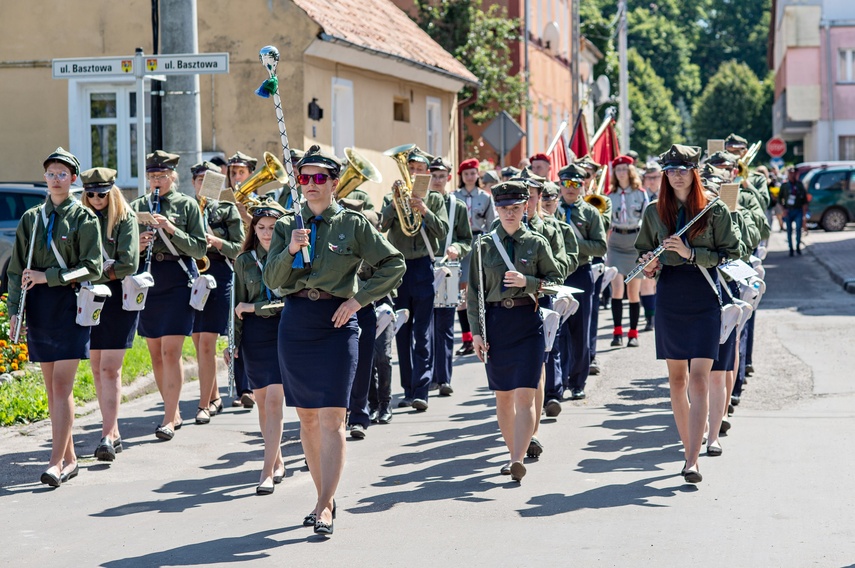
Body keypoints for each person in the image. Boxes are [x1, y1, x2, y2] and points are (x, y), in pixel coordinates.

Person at [264, 145, 405, 535]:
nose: (310, 184)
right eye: (304, 178)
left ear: (334, 182)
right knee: (307, 419)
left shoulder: (354, 224)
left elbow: (394, 263)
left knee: (333, 418)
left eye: (319, 178)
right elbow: (272, 281)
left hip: (338, 323)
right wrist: (291, 248)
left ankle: (324, 506)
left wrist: (359, 300)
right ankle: (322, 493)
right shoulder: (286, 225)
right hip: (296, 324)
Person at [634, 144, 741, 483]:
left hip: (704, 292)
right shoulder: (654, 210)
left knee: (698, 379)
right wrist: (648, 265)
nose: (675, 174)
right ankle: (687, 446)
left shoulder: (713, 209)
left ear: (694, 171)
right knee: (676, 380)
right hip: (670, 296)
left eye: (682, 169)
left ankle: (692, 459)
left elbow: (731, 252)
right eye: (670, 169)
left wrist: (691, 252)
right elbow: (643, 252)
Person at [8, 148, 102, 486]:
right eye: (51, 173)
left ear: (73, 178)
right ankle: (71, 458)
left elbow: (93, 267)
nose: (56, 179)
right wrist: (14, 312)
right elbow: (17, 269)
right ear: (45, 177)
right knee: (51, 389)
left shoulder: (83, 219)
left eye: (63, 173)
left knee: (62, 386)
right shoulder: (31, 219)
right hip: (39, 308)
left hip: (70, 305)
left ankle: (55, 462)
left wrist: (52, 277)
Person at [467, 181, 563, 482]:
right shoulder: (483, 246)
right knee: (503, 398)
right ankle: (512, 452)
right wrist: (477, 334)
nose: (510, 213)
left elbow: (557, 280)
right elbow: (474, 294)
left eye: (516, 208)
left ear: (525, 208)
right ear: (497, 209)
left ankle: (517, 458)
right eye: (504, 208)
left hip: (527, 320)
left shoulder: (536, 243)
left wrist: (528, 283)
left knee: (525, 395)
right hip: (496, 324)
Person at [130, 150, 207, 441]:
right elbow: (125, 250)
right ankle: (172, 409)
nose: (156, 181)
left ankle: (167, 419)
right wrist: (139, 244)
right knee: (155, 353)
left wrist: (170, 228)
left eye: (161, 176)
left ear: (173, 176)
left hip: (177, 281)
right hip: (149, 282)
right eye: (151, 176)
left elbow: (199, 248)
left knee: (170, 352)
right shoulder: (138, 205)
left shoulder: (187, 206)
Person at [381, 147, 449, 410]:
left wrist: (424, 210)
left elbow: (442, 231)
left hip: (422, 267)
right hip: (398, 268)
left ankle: (421, 390)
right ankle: (407, 389)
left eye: (419, 169)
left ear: (426, 174)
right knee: (401, 331)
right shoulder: (392, 197)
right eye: (410, 168)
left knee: (422, 332)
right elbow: (383, 226)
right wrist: (394, 202)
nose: (414, 172)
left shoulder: (435, 199)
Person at [80, 167, 140, 462]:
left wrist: (100, 272)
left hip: (117, 299)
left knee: (110, 369)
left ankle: (106, 433)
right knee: (95, 368)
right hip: (90, 296)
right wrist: (101, 270)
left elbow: (129, 262)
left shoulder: (125, 218)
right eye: (90, 193)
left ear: (111, 191)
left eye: (101, 193)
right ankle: (112, 432)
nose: (95, 198)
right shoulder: (81, 216)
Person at [232, 198, 288, 494]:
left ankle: (266, 470)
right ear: (253, 228)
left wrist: (255, 308)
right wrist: (235, 341)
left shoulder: (290, 256)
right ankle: (277, 459)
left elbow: (286, 301)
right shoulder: (244, 261)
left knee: (275, 401)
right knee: (263, 403)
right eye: (261, 227)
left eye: (273, 227)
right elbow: (236, 306)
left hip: (282, 330)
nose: (267, 233)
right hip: (254, 337)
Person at [190, 161, 245, 422]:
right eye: (199, 180)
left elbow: (239, 247)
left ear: (218, 183)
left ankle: (204, 405)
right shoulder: (187, 208)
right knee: (197, 341)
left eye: (209, 180)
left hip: (219, 273)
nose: (204, 184)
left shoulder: (226, 208)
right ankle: (214, 397)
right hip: (192, 275)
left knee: (208, 342)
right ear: (193, 183)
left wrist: (217, 241)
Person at [557, 164, 607, 400]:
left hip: (580, 273)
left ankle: (578, 382)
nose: (570, 188)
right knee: (557, 330)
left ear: (583, 185)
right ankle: (559, 379)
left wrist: (572, 243)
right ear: (560, 185)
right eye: (566, 183)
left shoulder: (589, 213)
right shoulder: (551, 210)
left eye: (575, 184)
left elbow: (600, 246)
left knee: (580, 331)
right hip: (556, 274)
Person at [429, 157, 472, 396]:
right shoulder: (419, 202)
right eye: (433, 175)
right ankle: (427, 377)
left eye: (441, 176)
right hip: (423, 266)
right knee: (424, 327)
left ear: (448, 177)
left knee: (444, 324)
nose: (437, 180)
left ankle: (443, 378)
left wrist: (457, 247)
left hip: (447, 268)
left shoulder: (457, 205)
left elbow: (467, 240)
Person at [453, 158, 496, 357]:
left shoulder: (486, 197)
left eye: (473, 173)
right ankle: (467, 338)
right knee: (462, 293)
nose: (470, 177)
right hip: (460, 244)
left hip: (478, 242)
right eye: (466, 173)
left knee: (479, 289)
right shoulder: (454, 197)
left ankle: (484, 332)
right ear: (461, 176)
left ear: (478, 175)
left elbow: (491, 225)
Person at [606, 155, 649, 348]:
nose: (621, 172)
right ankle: (617, 332)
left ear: (630, 171)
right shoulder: (610, 195)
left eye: (624, 168)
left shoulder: (640, 193)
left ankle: (633, 333)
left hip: (634, 242)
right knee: (617, 288)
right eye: (618, 169)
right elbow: (606, 223)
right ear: (614, 172)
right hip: (616, 242)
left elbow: (647, 219)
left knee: (633, 291)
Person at [574, 155, 611, 375]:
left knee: (591, 310)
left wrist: (589, 201)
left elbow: (604, 226)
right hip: (575, 261)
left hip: (594, 260)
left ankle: (591, 355)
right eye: (582, 175)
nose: (585, 179)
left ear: (593, 176)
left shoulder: (601, 198)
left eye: (588, 175)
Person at [640, 162, 663, 331]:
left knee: (659, 281)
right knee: (647, 281)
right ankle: (650, 318)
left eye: (655, 177)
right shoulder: (642, 195)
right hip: (647, 239)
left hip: (663, 240)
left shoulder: (666, 195)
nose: (652, 181)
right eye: (649, 178)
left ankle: (658, 311)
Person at [778, 167, 809, 256]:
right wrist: (783, 210)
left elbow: (804, 201)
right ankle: (791, 248)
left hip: (798, 210)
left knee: (798, 228)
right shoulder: (784, 185)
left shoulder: (799, 185)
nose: (792, 175)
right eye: (791, 173)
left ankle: (798, 246)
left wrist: (804, 215)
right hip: (788, 210)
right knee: (789, 230)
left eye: (794, 173)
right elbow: (780, 200)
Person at [227, 151, 258, 225]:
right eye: (233, 173)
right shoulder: (222, 202)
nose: (237, 177)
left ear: (250, 175)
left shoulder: (259, 202)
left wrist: (246, 216)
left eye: (241, 172)